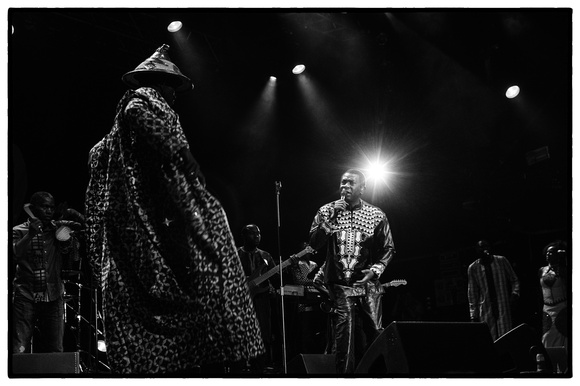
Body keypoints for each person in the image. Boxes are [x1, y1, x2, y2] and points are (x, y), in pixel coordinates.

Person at [84, 44, 264, 374]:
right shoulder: (143, 101)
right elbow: (139, 119)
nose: (175, 96)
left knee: (153, 301)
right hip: (150, 224)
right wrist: (179, 152)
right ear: (159, 83)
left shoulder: (113, 138)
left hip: (139, 227)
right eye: (172, 88)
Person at [309, 168, 396, 374]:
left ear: (362, 187)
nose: (345, 186)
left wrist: (375, 271)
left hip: (367, 284)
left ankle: (381, 376)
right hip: (339, 285)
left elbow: (389, 248)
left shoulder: (376, 214)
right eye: (343, 182)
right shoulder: (325, 211)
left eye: (350, 183)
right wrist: (330, 220)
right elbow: (314, 244)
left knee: (376, 332)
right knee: (344, 337)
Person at [12, 191, 81, 354]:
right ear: (33, 209)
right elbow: (13, 254)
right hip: (26, 296)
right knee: (20, 347)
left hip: (53, 296)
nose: (49, 211)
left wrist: (68, 238)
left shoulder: (56, 230)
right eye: (44, 207)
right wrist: (30, 235)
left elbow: (73, 251)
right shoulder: (19, 230)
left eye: (51, 207)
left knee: (56, 348)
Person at [237, 224, 277, 373]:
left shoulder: (265, 256)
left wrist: (287, 268)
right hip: (241, 301)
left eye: (259, 234)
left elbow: (275, 279)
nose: (257, 237)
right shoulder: (236, 254)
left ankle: (259, 369)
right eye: (252, 234)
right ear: (244, 236)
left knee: (262, 333)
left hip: (261, 300)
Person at [467, 240, 520, 341]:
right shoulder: (473, 268)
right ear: (477, 250)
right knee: (490, 338)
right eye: (481, 248)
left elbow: (514, 280)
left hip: (502, 305)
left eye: (486, 246)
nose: (484, 250)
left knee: (506, 336)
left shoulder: (501, 261)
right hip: (486, 308)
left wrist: (515, 294)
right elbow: (472, 293)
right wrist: (473, 315)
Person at [538, 240, 568, 352]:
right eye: (547, 252)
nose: (548, 254)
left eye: (551, 253)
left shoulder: (563, 269)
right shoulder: (542, 270)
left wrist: (563, 262)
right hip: (547, 309)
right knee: (547, 336)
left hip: (561, 307)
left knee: (563, 335)